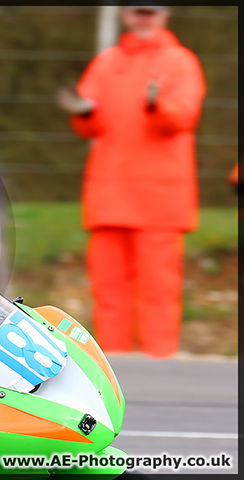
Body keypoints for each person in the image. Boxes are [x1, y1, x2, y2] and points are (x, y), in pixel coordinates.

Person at [57, 5, 206, 358]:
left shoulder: (181, 61)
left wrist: (158, 105)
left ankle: (160, 362)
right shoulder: (106, 62)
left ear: (167, 12)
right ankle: (114, 364)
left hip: (160, 197)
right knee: (108, 289)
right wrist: (83, 112)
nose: (143, 14)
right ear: (125, 13)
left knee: (158, 289)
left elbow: (184, 117)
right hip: (110, 192)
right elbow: (90, 125)